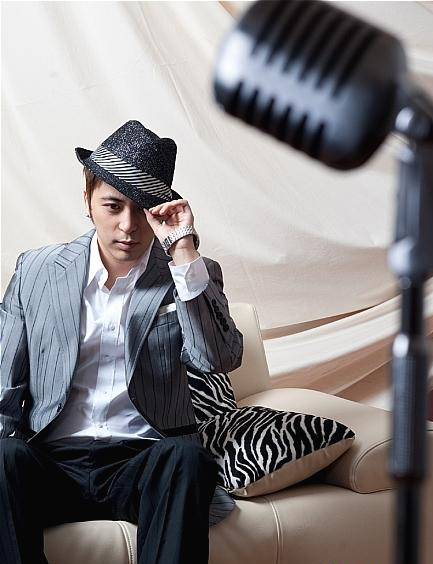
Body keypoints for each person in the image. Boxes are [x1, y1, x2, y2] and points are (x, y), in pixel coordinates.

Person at [0, 120, 243, 564]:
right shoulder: (36, 271)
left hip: (143, 465)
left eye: (143, 209)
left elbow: (217, 358)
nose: (128, 226)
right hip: (52, 462)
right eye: (113, 206)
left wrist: (183, 251)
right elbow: (5, 388)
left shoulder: (189, 273)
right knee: (2, 456)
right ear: (87, 200)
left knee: (187, 460)